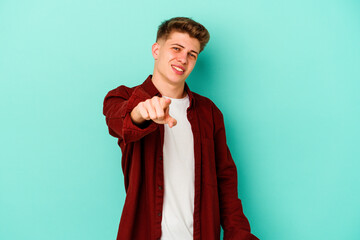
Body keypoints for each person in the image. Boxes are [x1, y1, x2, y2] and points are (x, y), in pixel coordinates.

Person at [103, 17, 259, 240]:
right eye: (176, 48)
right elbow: (120, 121)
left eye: (192, 54)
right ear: (156, 50)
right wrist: (142, 112)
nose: (183, 59)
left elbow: (225, 182)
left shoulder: (209, 113)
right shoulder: (124, 98)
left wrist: (239, 235)